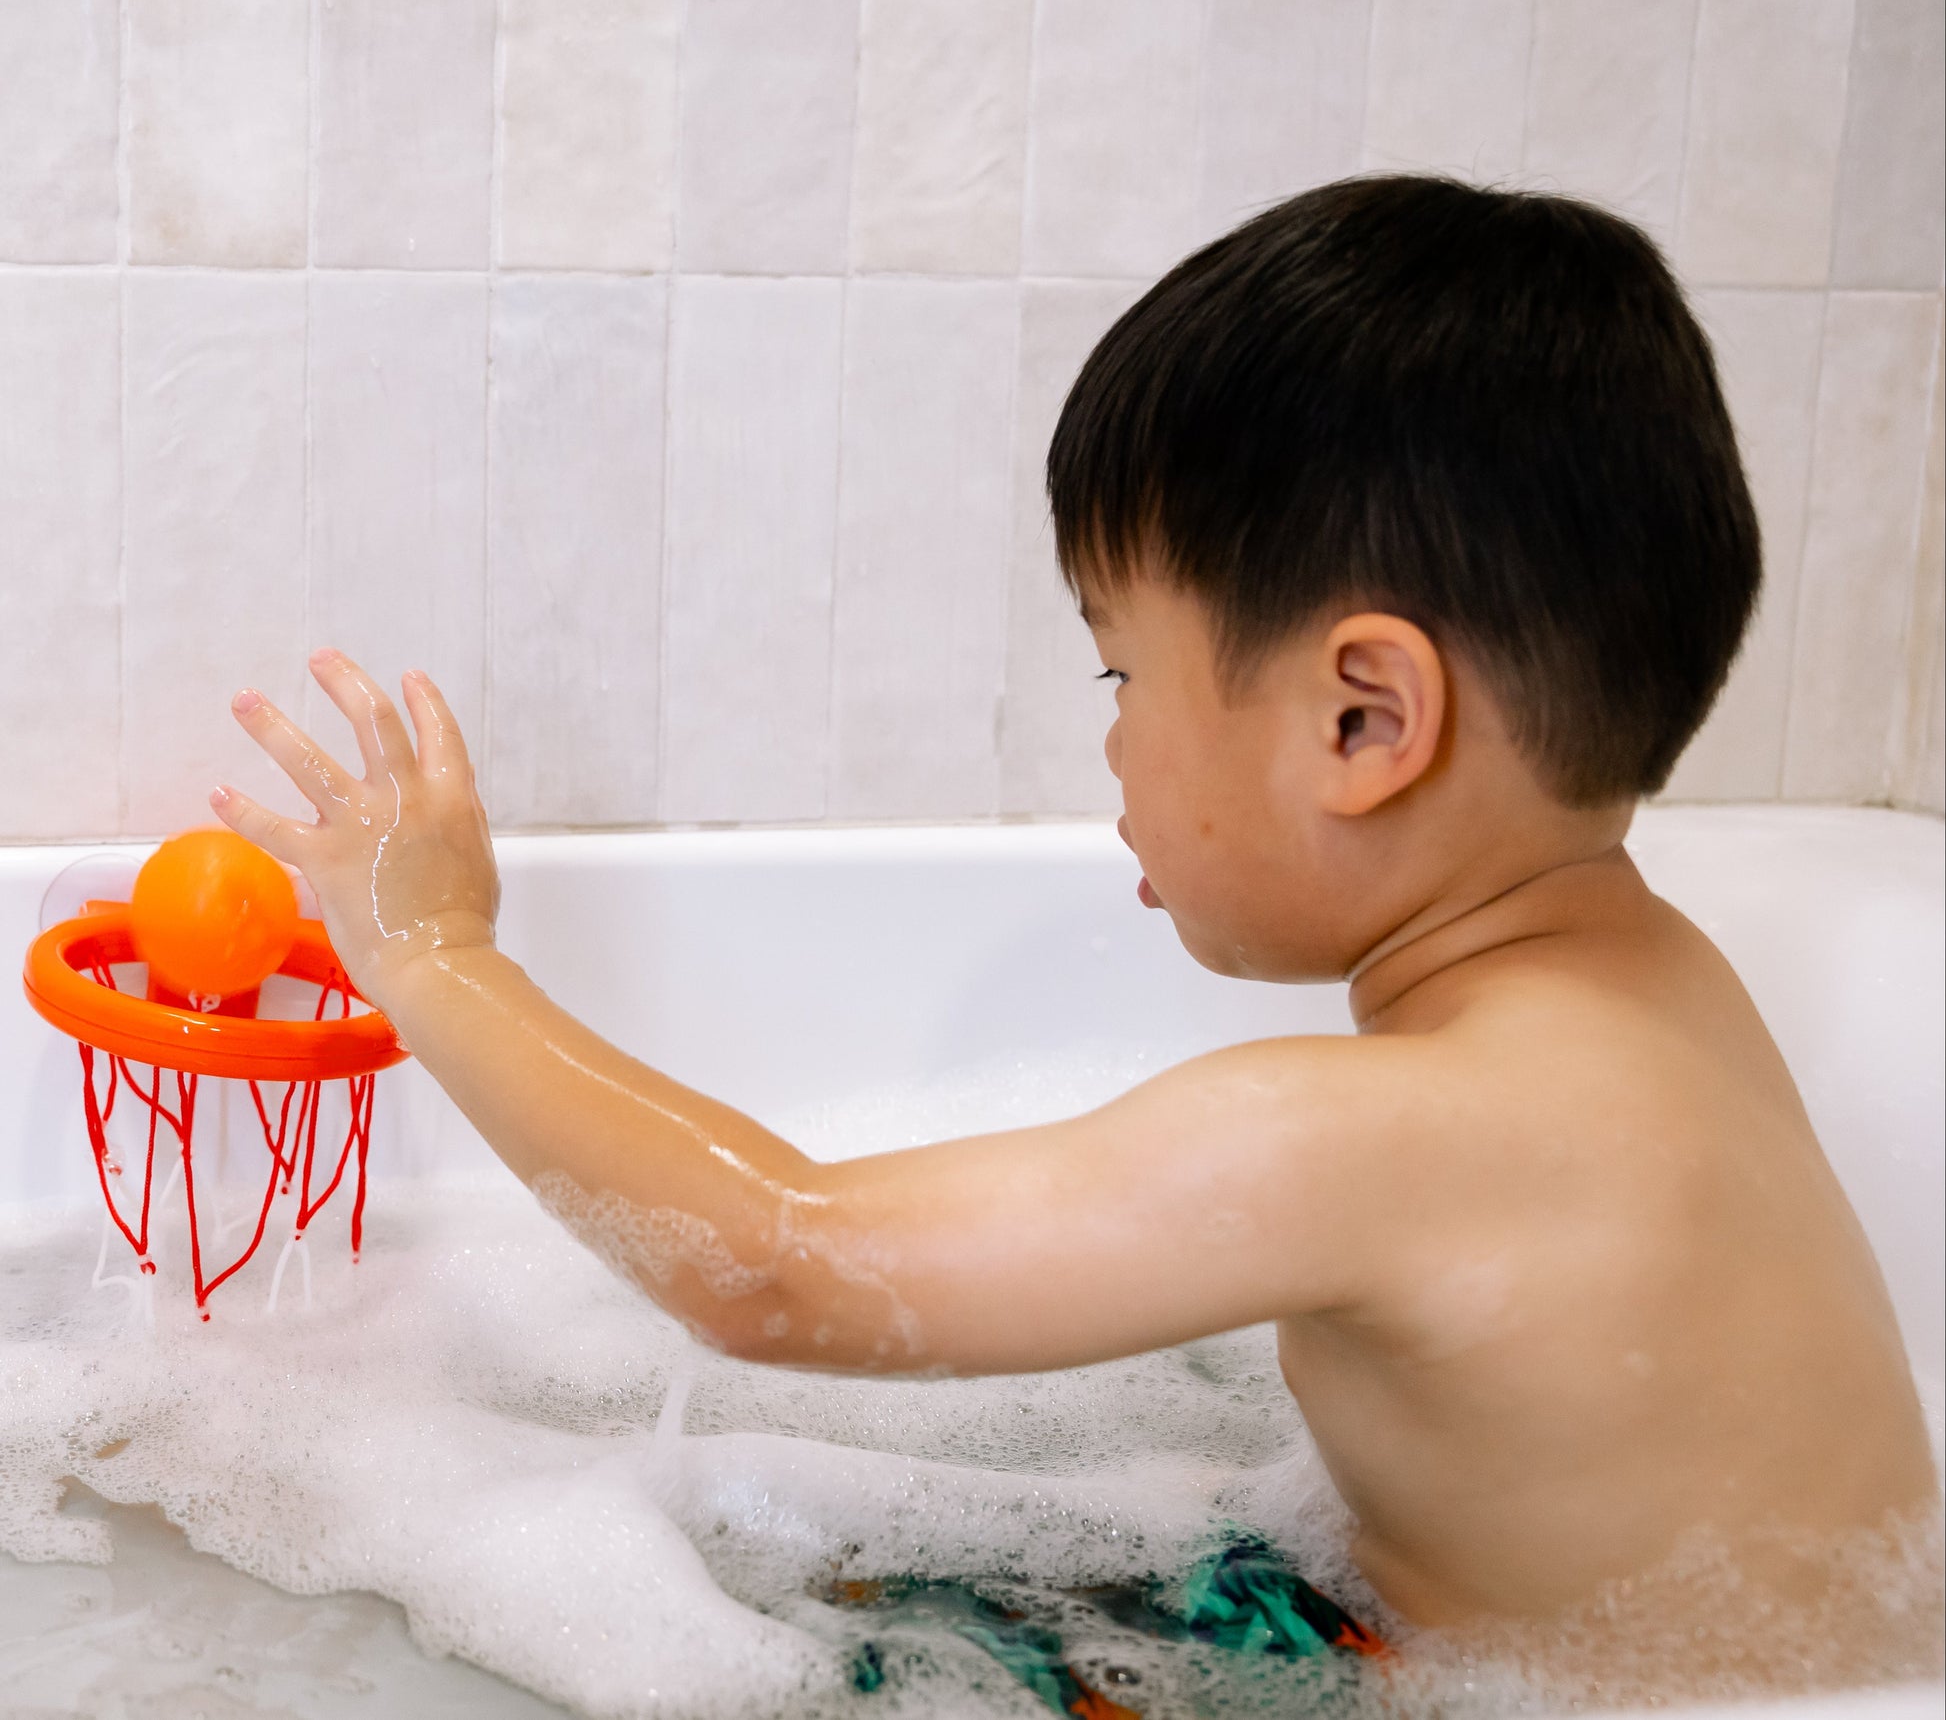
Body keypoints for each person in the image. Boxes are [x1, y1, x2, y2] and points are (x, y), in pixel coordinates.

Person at [211, 176, 1937, 1697]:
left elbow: (767, 1268)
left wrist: (432, 950)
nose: (1108, 738)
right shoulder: (1663, 998)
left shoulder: (1396, 1132)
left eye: (1123, 670)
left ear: (1361, 719)